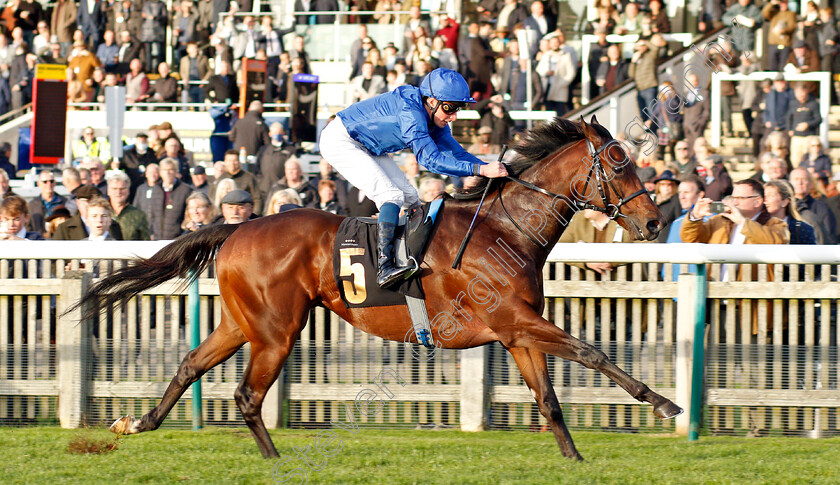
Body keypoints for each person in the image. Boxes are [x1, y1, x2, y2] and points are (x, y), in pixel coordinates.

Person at [319, 67, 508, 288]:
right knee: (390, 195)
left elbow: (454, 152)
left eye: (459, 108)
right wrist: (481, 171)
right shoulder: (411, 113)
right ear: (431, 101)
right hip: (340, 140)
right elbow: (430, 160)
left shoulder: (433, 116)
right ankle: (384, 266)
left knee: (410, 196)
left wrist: (488, 167)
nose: (454, 116)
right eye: (450, 108)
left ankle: (410, 255)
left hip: (367, 145)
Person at [681, 179, 789, 281]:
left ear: (757, 202)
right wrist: (695, 217)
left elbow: (776, 243)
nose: (735, 203)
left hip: (753, 297)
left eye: (740, 198)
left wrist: (742, 222)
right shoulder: (719, 221)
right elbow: (689, 239)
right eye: (733, 198)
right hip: (715, 294)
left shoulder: (775, 224)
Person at [52, 185, 124, 240]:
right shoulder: (64, 228)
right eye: (86, 201)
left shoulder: (114, 225)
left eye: (94, 201)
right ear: (78, 202)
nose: (90, 204)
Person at [146, 158, 192, 240]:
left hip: (178, 239)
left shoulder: (186, 190)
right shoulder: (156, 189)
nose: (167, 173)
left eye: (171, 169)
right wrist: (151, 233)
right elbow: (151, 214)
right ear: (160, 172)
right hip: (157, 239)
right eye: (164, 170)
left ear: (176, 172)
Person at [789, 168, 837, 244]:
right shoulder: (785, 207)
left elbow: (829, 235)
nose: (800, 182)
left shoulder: (822, 208)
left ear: (810, 184)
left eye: (804, 179)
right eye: (796, 179)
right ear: (790, 183)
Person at [764, 180, 817, 244]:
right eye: (763, 196)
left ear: (785, 201)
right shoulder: (756, 227)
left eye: (771, 195)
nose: (765, 200)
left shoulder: (802, 230)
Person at [213, 149, 262, 214]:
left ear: (239, 161)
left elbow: (257, 199)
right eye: (229, 160)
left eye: (235, 160)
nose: (232, 163)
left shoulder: (249, 178)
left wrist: (254, 216)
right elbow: (214, 200)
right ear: (225, 162)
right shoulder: (220, 179)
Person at [107, 171, 150, 240]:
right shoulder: (101, 213)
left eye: (122, 189)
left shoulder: (139, 215)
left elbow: (146, 242)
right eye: (114, 189)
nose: (118, 192)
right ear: (108, 191)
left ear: (128, 191)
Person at [28, 169, 66, 234]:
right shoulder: (32, 205)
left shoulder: (65, 203)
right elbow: (28, 226)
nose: (49, 184)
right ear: (38, 184)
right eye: (45, 182)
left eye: (51, 181)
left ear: (55, 183)